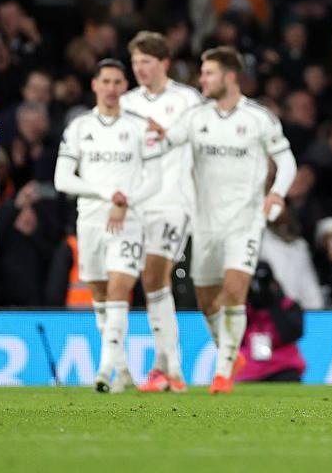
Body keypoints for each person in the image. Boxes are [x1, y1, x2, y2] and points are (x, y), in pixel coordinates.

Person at [152, 46, 297, 394]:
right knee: (206, 299)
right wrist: (154, 135)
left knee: (234, 290)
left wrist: (277, 193)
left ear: (230, 76)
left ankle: (223, 370)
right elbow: (166, 144)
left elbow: (287, 161)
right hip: (204, 223)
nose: (202, 79)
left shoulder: (258, 118)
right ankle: (230, 353)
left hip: (244, 221)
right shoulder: (195, 118)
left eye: (209, 73)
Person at [53, 59, 162, 393]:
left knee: (119, 288)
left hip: (129, 220)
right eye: (106, 82)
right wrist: (107, 195)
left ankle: (104, 371)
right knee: (100, 294)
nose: (112, 88)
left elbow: (155, 180)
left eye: (117, 82)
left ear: (125, 87)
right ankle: (123, 368)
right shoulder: (79, 127)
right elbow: (62, 179)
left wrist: (124, 201)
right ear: (95, 85)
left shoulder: (141, 127)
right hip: (90, 219)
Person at [121, 31, 203, 393]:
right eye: (135, 62)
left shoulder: (187, 99)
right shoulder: (127, 103)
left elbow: (202, 143)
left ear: (164, 63)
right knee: (148, 280)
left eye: (147, 61)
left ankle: (170, 368)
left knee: (155, 274)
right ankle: (166, 367)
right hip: (138, 204)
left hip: (174, 201)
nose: (140, 68)